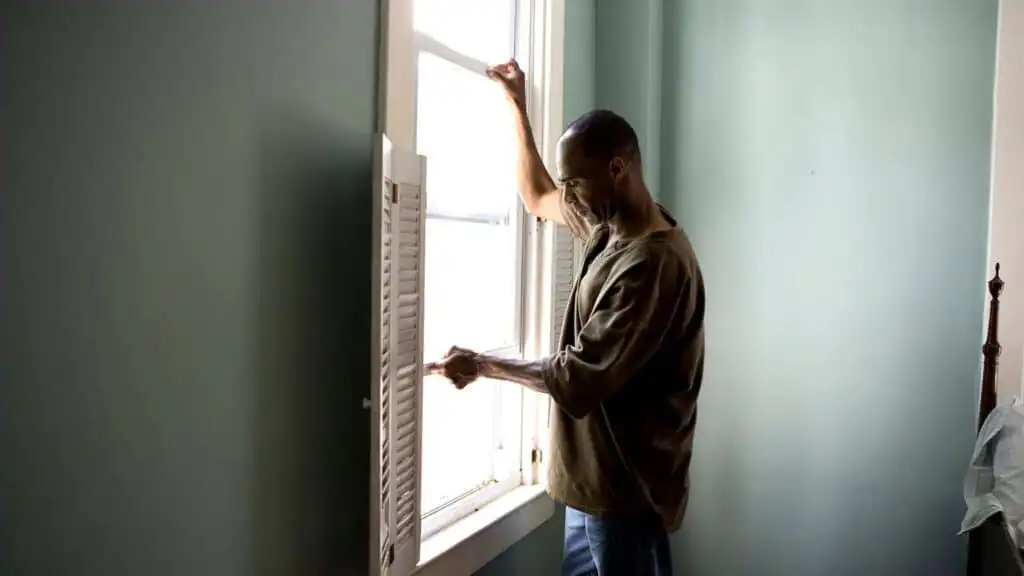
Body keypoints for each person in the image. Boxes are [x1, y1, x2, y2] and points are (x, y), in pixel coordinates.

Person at [426, 59, 706, 576]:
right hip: (590, 484)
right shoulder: (608, 225)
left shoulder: (651, 265)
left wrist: (484, 366)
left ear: (617, 170)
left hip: (626, 495)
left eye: (575, 182)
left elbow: (577, 378)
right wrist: (517, 104)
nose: (568, 194)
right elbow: (535, 195)